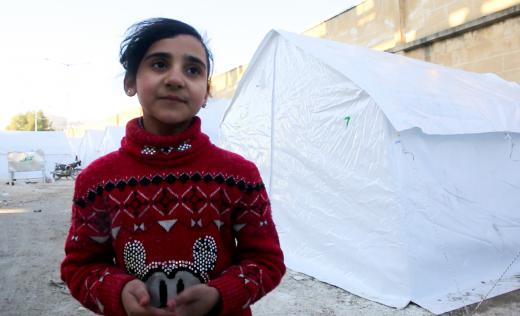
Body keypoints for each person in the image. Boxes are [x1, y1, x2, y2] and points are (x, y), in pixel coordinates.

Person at [61, 18, 285, 316]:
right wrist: (119, 292)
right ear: (130, 82)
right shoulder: (97, 181)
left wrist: (220, 294)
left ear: (205, 94)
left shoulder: (239, 176)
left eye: (192, 70)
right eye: (159, 64)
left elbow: (267, 261)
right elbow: (81, 266)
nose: (176, 79)